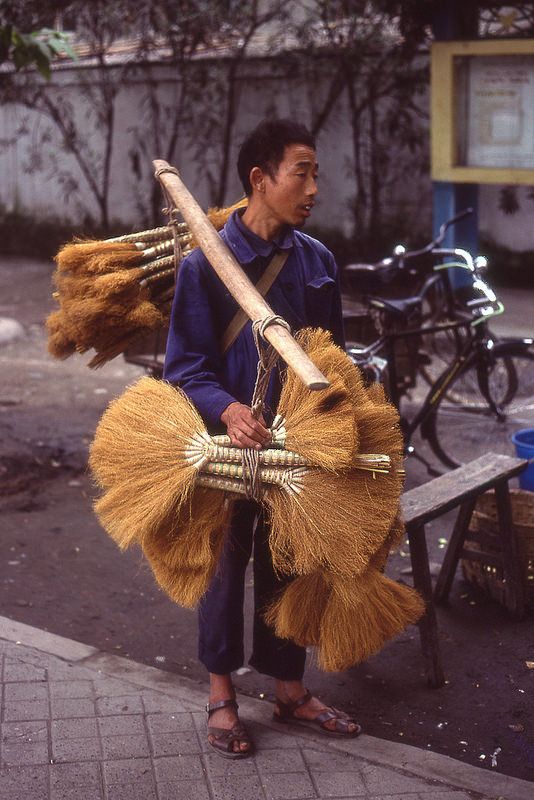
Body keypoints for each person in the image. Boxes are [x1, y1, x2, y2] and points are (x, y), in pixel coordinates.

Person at [163, 118, 361, 758]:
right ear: (261, 179)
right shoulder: (205, 266)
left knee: (291, 564)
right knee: (223, 567)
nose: (312, 188)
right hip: (227, 449)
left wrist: (339, 415)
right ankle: (221, 692)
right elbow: (185, 365)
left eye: (315, 174)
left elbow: (331, 358)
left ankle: (288, 688)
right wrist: (225, 410)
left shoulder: (319, 262)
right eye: (301, 172)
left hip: (294, 450)